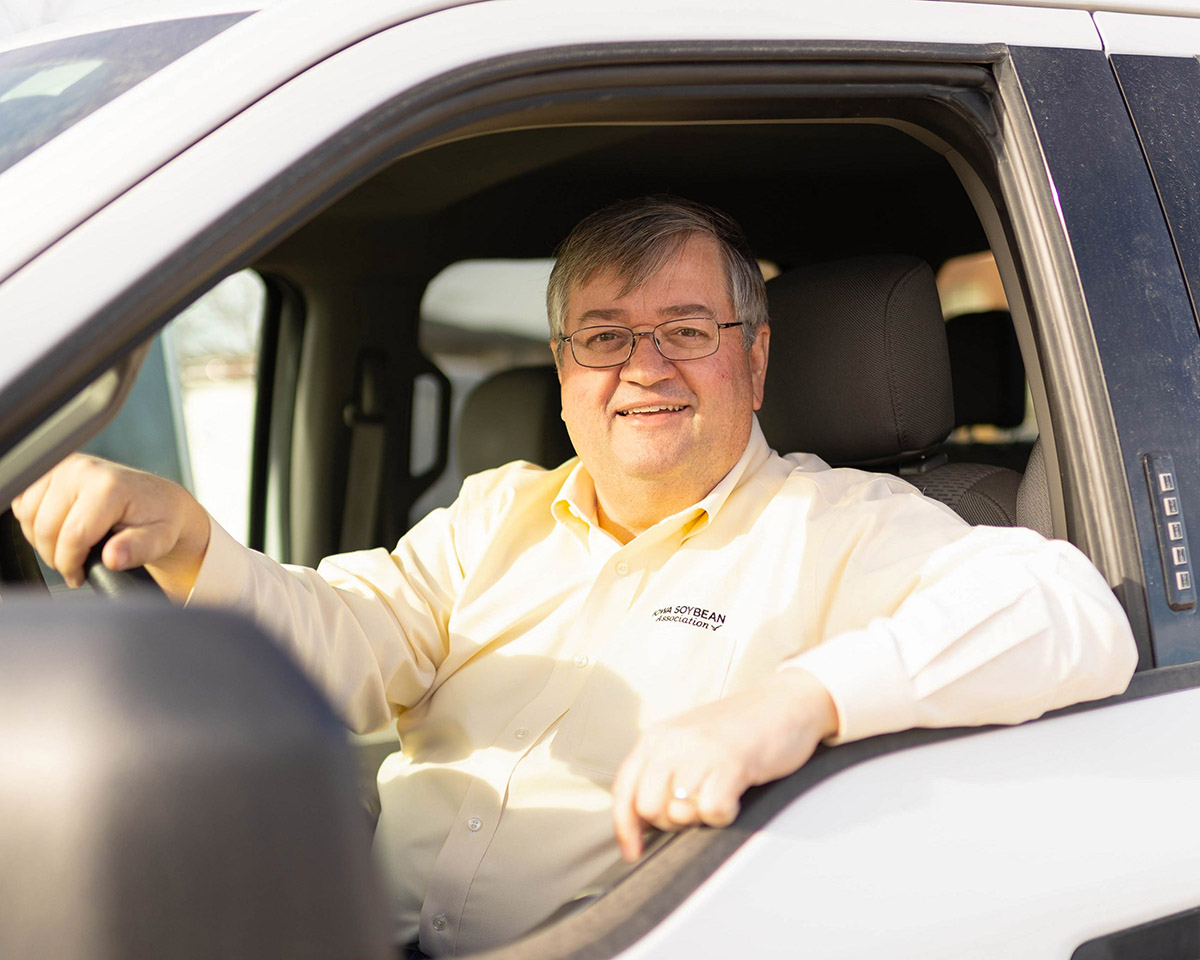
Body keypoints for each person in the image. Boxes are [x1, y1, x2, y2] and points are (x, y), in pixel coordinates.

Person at [11, 196, 1137, 957]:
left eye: (686, 328)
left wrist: (788, 706)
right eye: (603, 336)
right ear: (562, 375)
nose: (642, 368)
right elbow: (347, 641)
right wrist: (186, 538)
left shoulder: (835, 524)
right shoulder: (500, 511)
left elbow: (1073, 614)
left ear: (754, 358)